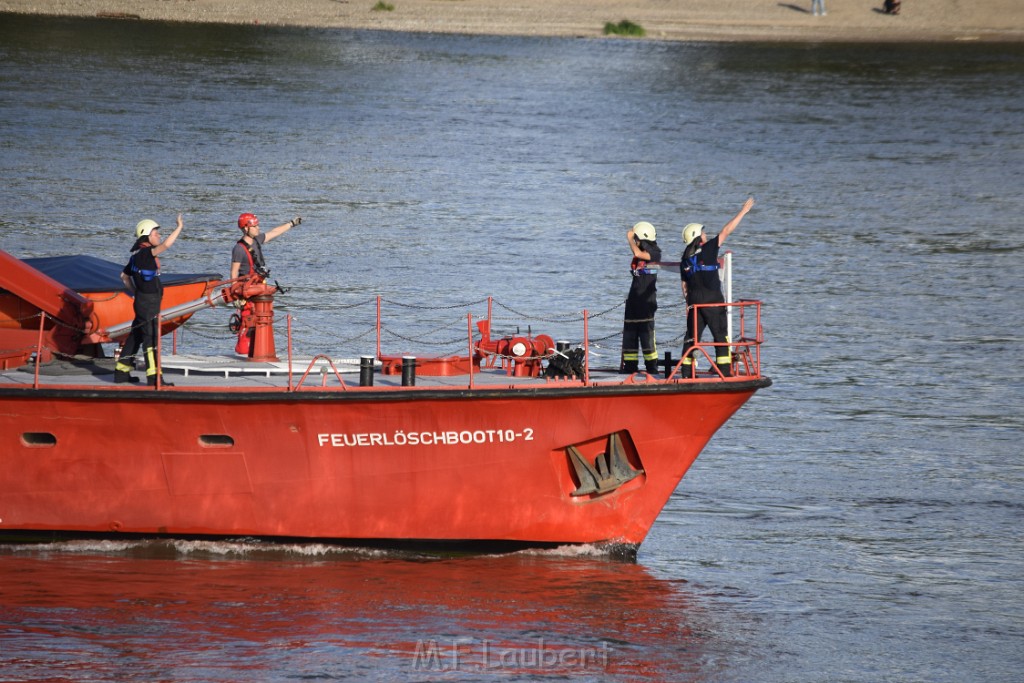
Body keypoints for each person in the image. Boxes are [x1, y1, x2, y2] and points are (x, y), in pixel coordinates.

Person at [679, 197, 755, 378]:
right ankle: (724, 371)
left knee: (692, 338)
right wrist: (743, 212)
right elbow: (727, 230)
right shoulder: (709, 249)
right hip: (712, 301)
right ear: (698, 237)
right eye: (703, 232)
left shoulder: (684, 259)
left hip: (695, 303)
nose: (705, 234)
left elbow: (684, 286)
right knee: (721, 336)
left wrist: (688, 304)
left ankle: (686, 373)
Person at [115, 215, 184, 386]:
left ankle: (121, 372)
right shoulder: (146, 253)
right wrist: (179, 227)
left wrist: (136, 292)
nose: (158, 236)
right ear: (146, 235)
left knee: (136, 336)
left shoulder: (135, 256)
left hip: (142, 300)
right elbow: (167, 245)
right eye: (156, 233)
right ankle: (154, 378)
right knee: (150, 337)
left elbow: (124, 276)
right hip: (149, 303)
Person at [621, 221, 662, 375]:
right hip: (634, 301)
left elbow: (638, 253)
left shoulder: (655, 253)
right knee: (630, 334)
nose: (635, 242)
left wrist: (630, 238)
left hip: (646, 301)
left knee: (646, 336)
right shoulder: (641, 252)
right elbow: (637, 254)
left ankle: (652, 368)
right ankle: (630, 366)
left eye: (637, 239)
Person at [230, 212, 301, 281]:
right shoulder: (239, 249)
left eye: (257, 225)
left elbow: (275, 232)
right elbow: (234, 273)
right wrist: (234, 288)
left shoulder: (257, 239)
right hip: (245, 286)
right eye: (254, 226)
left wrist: (291, 224)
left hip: (257, 282)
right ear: (246, 228)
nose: (258, 228)